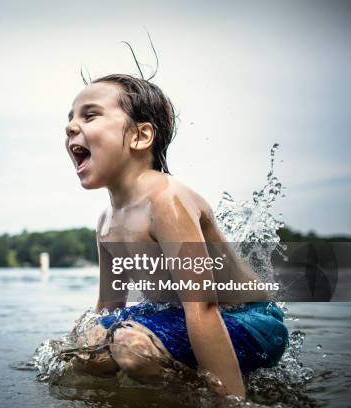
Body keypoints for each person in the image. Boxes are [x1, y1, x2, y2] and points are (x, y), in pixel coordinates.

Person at [64, 73, 288, 400]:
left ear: (140, 136)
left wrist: (230, 402)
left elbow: (204, 308)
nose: (71, 126)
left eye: (90, 115)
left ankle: (193, 395)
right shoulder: (106, 223)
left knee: (131, 348)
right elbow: (108, 307)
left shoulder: (166, 202)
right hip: (181, 316)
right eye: (69, 118)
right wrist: (80, 346)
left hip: (250, 321)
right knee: (90, 342)